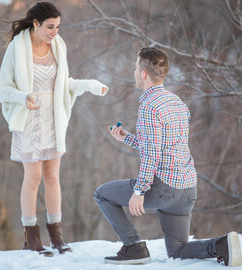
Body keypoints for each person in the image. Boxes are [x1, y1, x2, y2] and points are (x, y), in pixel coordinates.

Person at [93, 47, 242, 266]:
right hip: (187, 189)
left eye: (136, 67)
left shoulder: (149, 107)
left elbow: (153, 154)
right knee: (178, 251)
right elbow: (165, 147)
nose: (134, 72)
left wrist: (139, 191)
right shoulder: (177, 102)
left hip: (164, 188)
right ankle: (220, 245)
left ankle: (134, 247)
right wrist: (127, 138)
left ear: (143, 73)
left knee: (102, 194)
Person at [0, 2, 108, 257]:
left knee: (53, 177)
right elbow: (3, 89)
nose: (54, 32)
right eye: (49, 27)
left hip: (53, 119)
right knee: (33, 177)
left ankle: (57, 237)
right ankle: (31, 237)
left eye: (57, 27)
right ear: (35, 24)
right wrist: (24, 97)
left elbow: (63, 84)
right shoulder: (16, 48)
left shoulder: (59, 46)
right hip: (28, 118)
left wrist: (88, 84)